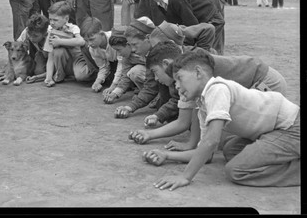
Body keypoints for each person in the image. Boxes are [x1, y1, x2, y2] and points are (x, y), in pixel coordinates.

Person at [143, 49, 299, 190]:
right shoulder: (203, 103)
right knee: (231, 150)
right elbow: (206, 153)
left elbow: (211, 141)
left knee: (236, 170)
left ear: (198, 73)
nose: (176, 86)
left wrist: (185, 177)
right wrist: (167, 155)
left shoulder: (217, 89)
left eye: (179, 78)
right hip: (270, 131)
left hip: (291, 127)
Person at [129, 40, 288, 148]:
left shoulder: (195, 67)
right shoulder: (183, 77)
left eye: (155, 72)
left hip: (265, 82)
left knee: (219, 140)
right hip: (251, 85)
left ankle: (282, 142)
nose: (156, 78)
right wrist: (149, 135)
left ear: (166, 64)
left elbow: (203, 136)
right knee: (214, 135)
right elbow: (183, 122)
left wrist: (194, 145)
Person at [115, 19, 219, 123]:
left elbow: (183, 111)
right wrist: (132, 107)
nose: (132, 49)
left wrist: (159, 115)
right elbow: (151, 88)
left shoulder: (191, 66)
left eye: (134, 44)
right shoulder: (159, 59)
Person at [142, 0, 225, 54]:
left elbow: (192, 24)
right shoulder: (159, 1)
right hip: (199, 22)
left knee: (206, 51)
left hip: (211, 20)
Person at [43, 1, 85, 87]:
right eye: (50, 19)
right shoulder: (51, 30)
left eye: (55, 20)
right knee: (58, 52)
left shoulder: (73, 28)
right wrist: (48, 77)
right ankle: (60, 73)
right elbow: (50, 57)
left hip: (77, 60)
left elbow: (81, 41)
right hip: (63, 63)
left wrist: (60, 41)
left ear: (66, 19)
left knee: (81, 75)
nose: (52, 22)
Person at [102, 29, 146, 104]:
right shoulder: (127, 58)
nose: (118, 54)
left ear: (128, 44)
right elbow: (125, 77)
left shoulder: (144, 49)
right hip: (150, 79)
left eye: (119, 50)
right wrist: (114, 94)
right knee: (133, 72)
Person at [79, 17, 121, 93]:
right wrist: (97, 81)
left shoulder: (114, 40)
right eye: (86, 40)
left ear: (101, 34)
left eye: (92, 39)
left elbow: (122, 64)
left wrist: (113, 85)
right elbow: (103, 67)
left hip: (124, 63)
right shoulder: (92, 48)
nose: (89, 43)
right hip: (112, 64)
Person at [18, 14, 50, 83]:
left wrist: (37, 77)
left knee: (41, 72)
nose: (32, 38)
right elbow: (17, 46)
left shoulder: (50, 35)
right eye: (30, 34)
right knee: (38, 71)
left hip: (53, 56)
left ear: (45, 34)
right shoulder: (27, 31)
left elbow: (53, 60)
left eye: (35, 36)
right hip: (40, 53)